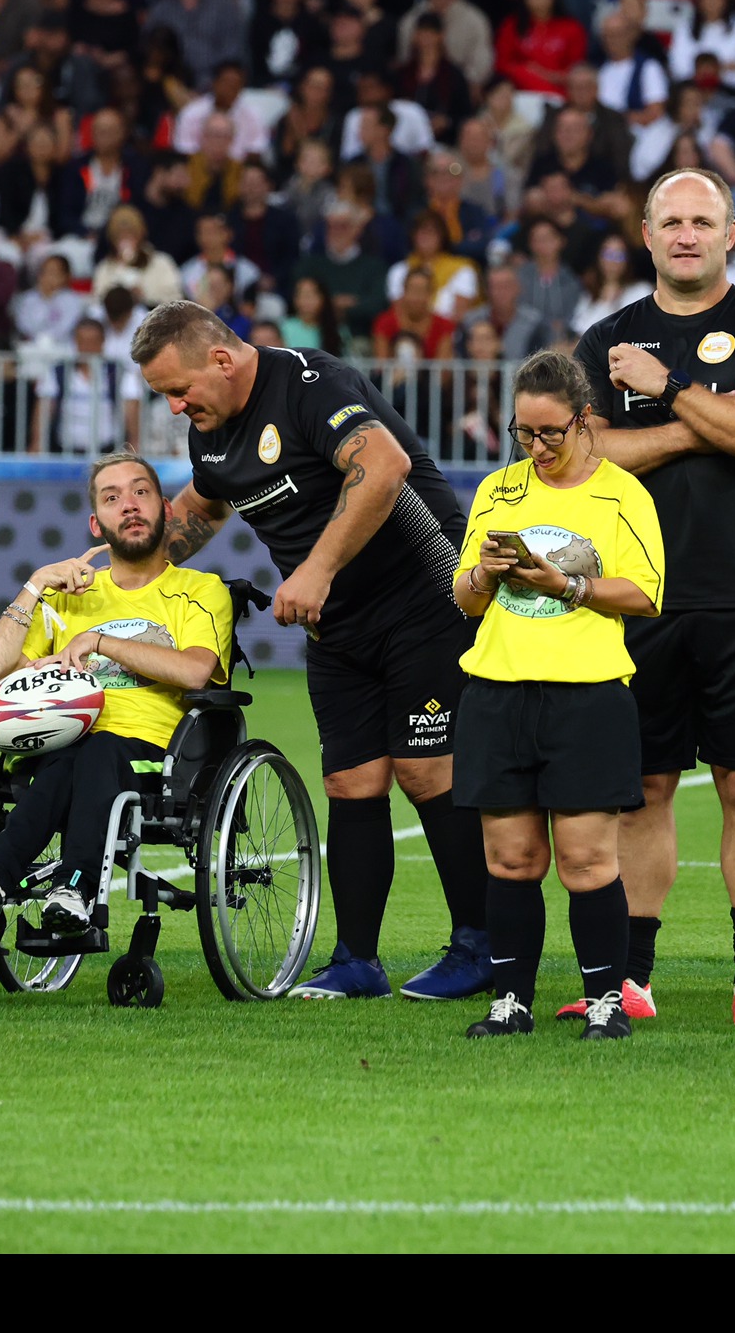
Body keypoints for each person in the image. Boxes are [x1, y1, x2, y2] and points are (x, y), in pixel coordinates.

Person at [133, 301, 494, 1003]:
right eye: (162, 396)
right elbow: (202, 510)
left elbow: (383, 467)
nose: (175, 406)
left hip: (423, 598)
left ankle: (479, 948)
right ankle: (357, 961)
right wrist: (118, 562)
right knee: (352, 782)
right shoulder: (208, 433)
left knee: (425, 773)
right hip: (338, 626)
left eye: (179, 389)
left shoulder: (308, 383)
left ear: (222, 359)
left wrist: (318, 569)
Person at [571, 168, 735, 1027]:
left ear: (730, 234)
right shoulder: (605, 339)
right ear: (645, 235)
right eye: (669, 221)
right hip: (633, 598)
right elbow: (584, 460)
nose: (685, 234)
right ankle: (633, 980)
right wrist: (713, 422)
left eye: (701, 222)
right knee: (644, 788)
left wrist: (668, 394)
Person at [450, 350, 667, 1039]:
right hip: (497, 691)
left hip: (588, 696)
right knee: (511, 859)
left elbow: (646, 595)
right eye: (524, 433)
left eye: (550, 433)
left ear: (583, 421)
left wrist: (566, 586)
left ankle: (606, 1003)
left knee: (585, 860)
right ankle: (510, 1002)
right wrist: (484, 575)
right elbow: (463, 600)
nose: (537, 448)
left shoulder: (622, 494)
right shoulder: (499, 491)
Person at [0, 455, 235, 939]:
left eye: (140, 492)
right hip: (63, 743)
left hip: (156, 755)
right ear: (95, 523)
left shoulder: (199, 590)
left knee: (95, 749)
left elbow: (195, 671)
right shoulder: (67, 596)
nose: (129, 505)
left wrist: (99, 643)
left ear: (165, 507)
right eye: (112, 497)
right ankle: (18, 889)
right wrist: (35, 585)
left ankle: (37, 883)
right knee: (73, 754)